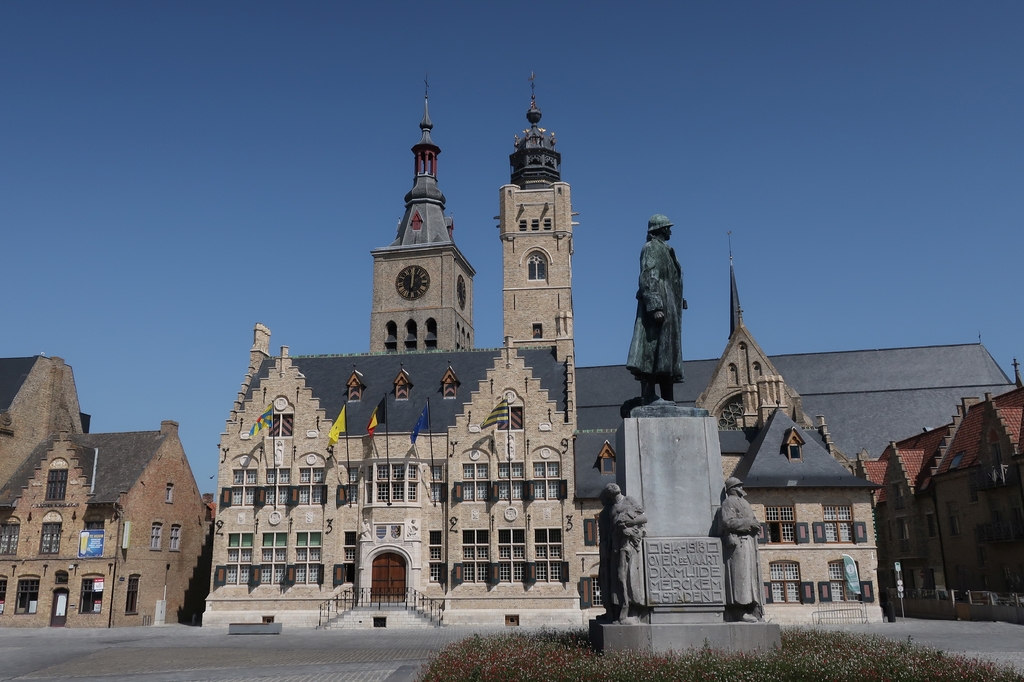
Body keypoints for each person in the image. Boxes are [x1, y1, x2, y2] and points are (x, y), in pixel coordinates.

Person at [626, 214, 684, 403]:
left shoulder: (666, 250)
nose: (671, 230)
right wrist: (654, 306)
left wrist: (679, 300)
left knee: (667, 354)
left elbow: (671, 280)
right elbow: (648, 277)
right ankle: (649, 394)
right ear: (660, 229)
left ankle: (669, 398)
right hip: (659, 305)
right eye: (668, 227)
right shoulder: (651, 248)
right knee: (651, 351)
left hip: (669, 304)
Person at [598, 483, 649, 623]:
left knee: (625, 575)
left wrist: (628, 523)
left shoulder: (629, 500)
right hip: (616, 545)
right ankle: (621, 606)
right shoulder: (611, 509)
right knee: (617, 577)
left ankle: (629, 607)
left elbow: (644, 518)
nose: (613, 487)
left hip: (628, 543)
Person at [718, 477, 764, 622]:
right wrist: (748, 523)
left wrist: (755, 524)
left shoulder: (745, 503)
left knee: (750, 577)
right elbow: (727, 522)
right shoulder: (728, 502)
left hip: (749, 543)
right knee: (740, 576)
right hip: (738, 543)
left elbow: (753, 519)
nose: (741, 489)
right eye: (738, 486)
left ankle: (752, 607)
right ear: (732, 489)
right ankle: (739, 610)